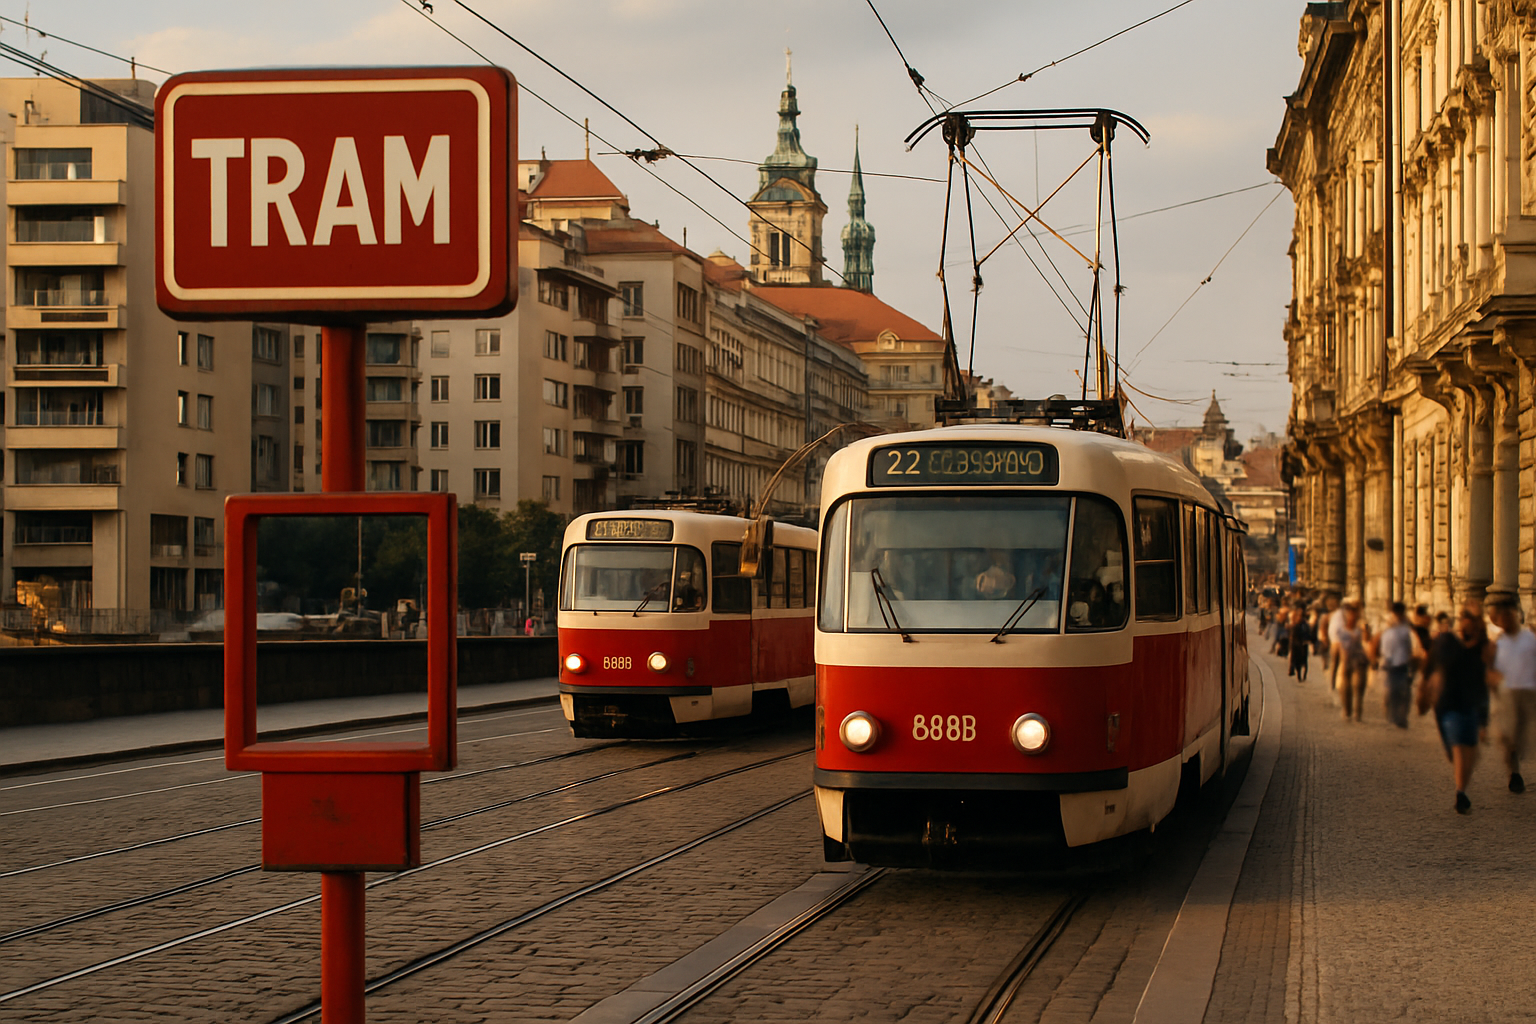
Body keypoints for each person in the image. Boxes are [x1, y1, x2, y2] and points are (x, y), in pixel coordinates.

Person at [1422, 601, 1497, 813]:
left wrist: (1483, 720)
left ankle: (1462, 789)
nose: (1470, 622)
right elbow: (1432, 666)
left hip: (1471, 705)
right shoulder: (1447, 641)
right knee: (1458, 751)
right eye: (1467, 617)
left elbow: (1484, 683)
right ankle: (1460, 792)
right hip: (1450, 705)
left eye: (1474, 619)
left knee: (1470, 754)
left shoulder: (1483, 648)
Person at [1487, 593, 1536, 794]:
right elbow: (1489, 670)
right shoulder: (1497, 643)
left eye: (1508, 616)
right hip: (1507, 694)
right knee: (1508, 736)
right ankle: (1514, 773)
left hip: (1529, 692)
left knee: (1525, 734)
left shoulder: (1530, 638)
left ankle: (1517, 759)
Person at [1373, 601, 1422, 729]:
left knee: (1404, 692)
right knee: (1391, 691)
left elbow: (1413, 643)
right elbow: (1377, 639)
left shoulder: (1407, 626)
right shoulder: (1386, 624)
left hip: (1402, 662)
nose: (1398, 615)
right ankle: (1392, 716)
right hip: (1389, 663)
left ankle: (1402, 717)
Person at [1334, 600, 1371, 721]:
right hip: (1346, 661)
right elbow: (1340, 647)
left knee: (1359, 687)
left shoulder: (1362, 628)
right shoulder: (1342, 630)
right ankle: (1347, 711)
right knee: (1346, 688)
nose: (1352, 615)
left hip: (1359, 661)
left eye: (1354, 612)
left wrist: (1365, 631)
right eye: (1350, 612)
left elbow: (1367, 643)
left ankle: (1357, 713)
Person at [1288, 607, 1313, 681]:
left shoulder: (1304, 625)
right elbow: (1293, 635)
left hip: (1302, 645)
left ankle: (1303, 676)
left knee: (1304, 661)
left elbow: (1308, 634)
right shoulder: (1297, 625)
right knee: (1298, 662)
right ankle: (1299, 676)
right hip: (1297, 645)